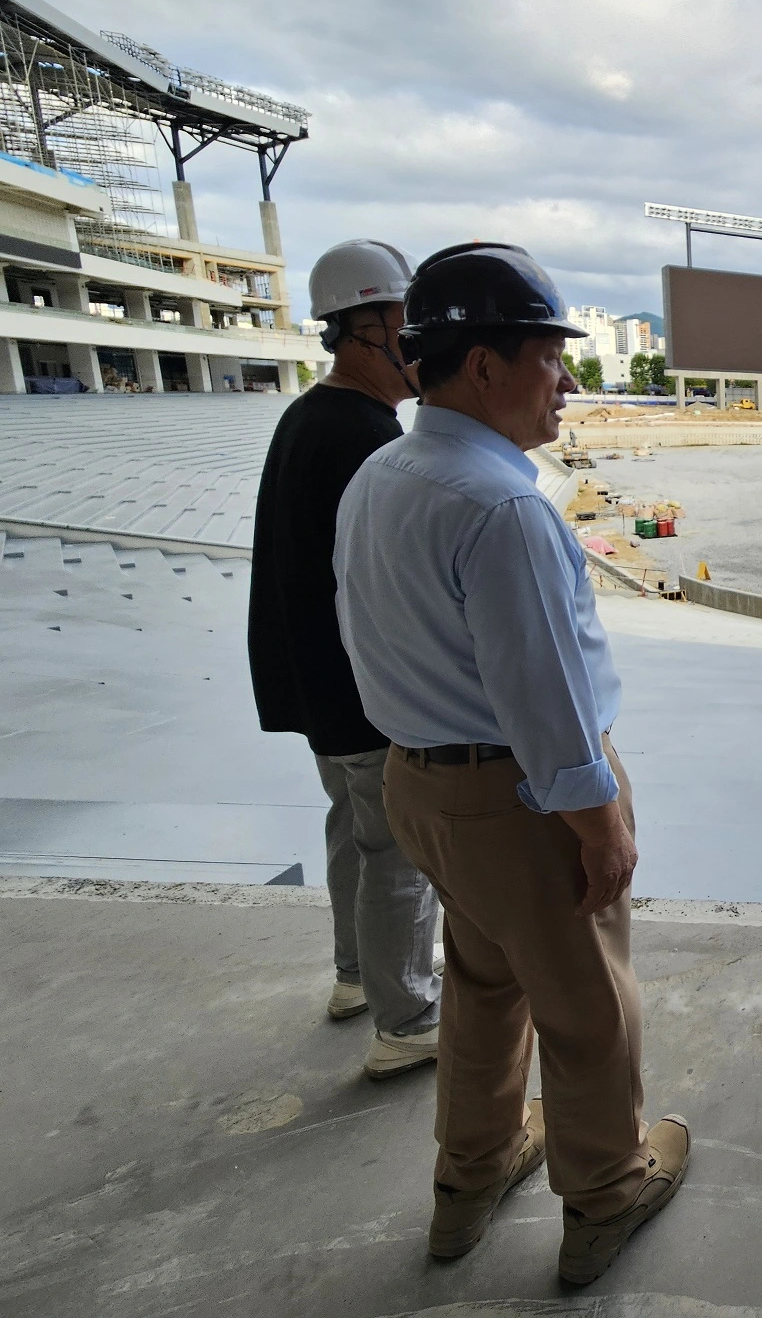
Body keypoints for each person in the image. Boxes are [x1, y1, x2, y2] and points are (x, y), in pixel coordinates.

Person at [333, 242, 689, 1286]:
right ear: (482, 365)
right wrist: (599, 823)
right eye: (548, 356)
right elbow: (543, 697)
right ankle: (604, 1196)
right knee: (587, 1007)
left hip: (421, 783)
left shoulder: (381, 473)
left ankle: (468, 1183)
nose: (567, 381)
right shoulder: (504, 506)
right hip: (518, 794)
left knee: (484, 983)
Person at [248, 239, 442, 1081]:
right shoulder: (362, 436)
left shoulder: (309, 418)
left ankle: (356, 978)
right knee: (398, 852)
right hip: (362, 691)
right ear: (363, 328)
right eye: (407, 324)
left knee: (352, 835)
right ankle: (406, 1020)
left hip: (315, 686)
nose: (419, 344)